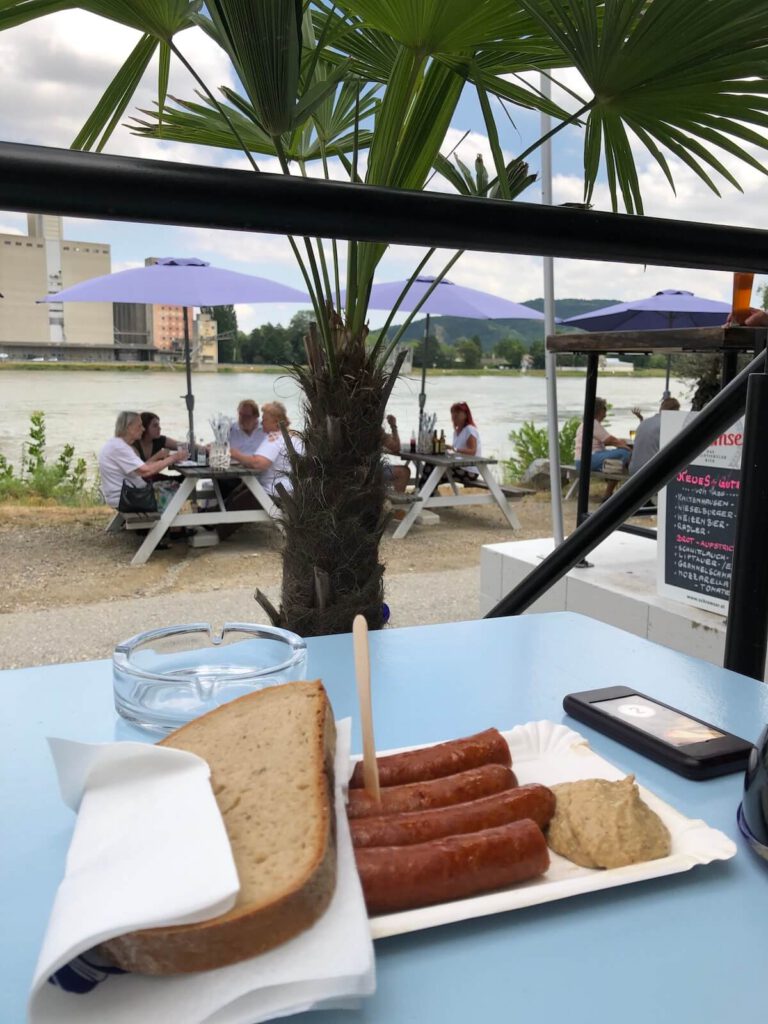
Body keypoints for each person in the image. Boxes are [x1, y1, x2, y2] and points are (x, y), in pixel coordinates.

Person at [221, 402, 302, 537]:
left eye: (264, 420)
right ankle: (212, 523)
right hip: (291, 488)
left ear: (276, 422)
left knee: (238, 503)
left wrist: (235, 454)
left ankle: (217, 532)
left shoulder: (274, 439)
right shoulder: (292, 436)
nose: (262, 422)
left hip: (275, 491)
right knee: (237, 493)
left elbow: (259, 463)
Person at [98, 410, 186, 509]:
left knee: (171, 485)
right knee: (174, 488)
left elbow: (143, 467)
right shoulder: (120, 447)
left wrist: (162, 458)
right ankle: (166, 523)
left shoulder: (117, 444)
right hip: (127, 498)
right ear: (128, 428)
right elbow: (146, 471)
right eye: (139, 426)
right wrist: (173, 458)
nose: (143, 429)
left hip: (125, 495)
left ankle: (167, 521)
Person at [574, 397, 631, 499]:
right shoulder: (593, 423)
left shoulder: (586, 423)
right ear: (599, 410)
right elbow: (609, 440)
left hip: (583, 459)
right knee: (624, 454)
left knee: (616, 464)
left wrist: (619, 443)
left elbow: (603, 441)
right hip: (588, 459)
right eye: (605, 409)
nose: (605, 413)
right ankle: (611, 493)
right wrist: (625, 446)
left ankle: (608, 494)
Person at [629, 397, 681, 476]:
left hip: (633, 469)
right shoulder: (668, 424)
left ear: (661, 408)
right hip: (650, 470)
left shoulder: (645, 422)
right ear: (676, 411)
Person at [448, 401, 482, 483]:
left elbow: (472, 451)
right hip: (460, 467)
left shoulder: (469, 429)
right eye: (453, 412)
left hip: (470, 471)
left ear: (466, 415)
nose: (455, 415)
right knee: (432, 467)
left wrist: (455, 449)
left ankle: (423, 493)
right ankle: (426, 493)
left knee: (437, 471)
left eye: (458, 412)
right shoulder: (456, 432)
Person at [381, 414, 409, 493]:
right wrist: (393, 426)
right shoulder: (374, 428)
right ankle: (397, 501)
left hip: (349, 470)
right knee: (404, 472)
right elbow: (396, 447)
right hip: (369, 471)